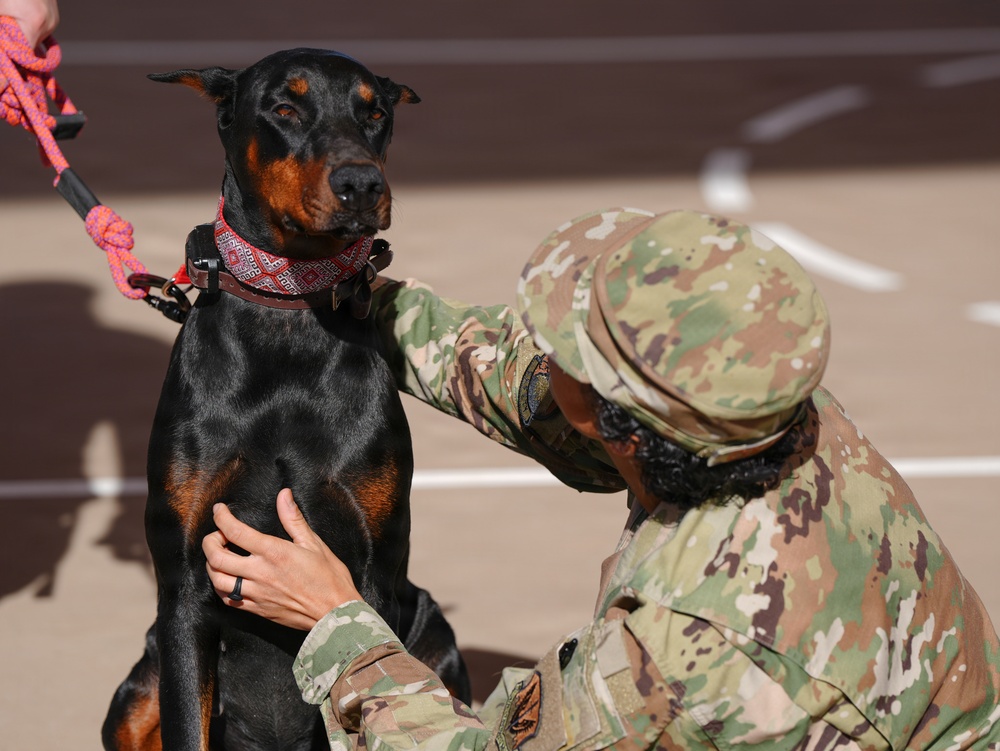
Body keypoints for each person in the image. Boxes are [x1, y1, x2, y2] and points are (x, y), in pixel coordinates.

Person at [202, 208, 1000, 748]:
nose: (543, 344)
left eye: (568, 342)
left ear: (617, 420)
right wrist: (364, 302)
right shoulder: (767, 407)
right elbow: (523, 382)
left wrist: (337, 625)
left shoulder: (682, 649)